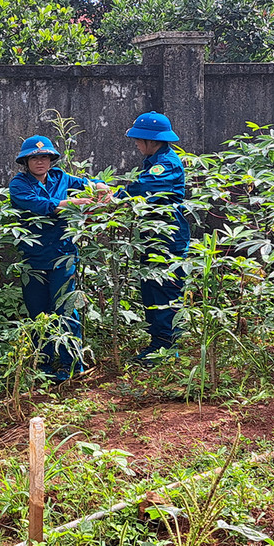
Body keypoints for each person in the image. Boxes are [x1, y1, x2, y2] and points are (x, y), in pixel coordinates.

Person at [8, 135, 111, 382]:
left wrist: (100, 187)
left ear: (52, 159)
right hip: (33, 259)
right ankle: (42, 364)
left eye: (44, 157)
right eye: (34, 157)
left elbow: (89, 184)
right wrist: (72, 203)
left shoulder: (61, 178)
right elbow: (41, 205)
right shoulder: (19, 184)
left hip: (63, 255)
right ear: (26, 161)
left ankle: (71, 364)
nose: (40, 162)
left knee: (66, 310)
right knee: (38, 313)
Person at [119, 111, 190, 362]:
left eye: (139, 139)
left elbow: (143, 188)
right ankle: (157, 344)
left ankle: (166, 349)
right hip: (153, 235)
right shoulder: (153, 160)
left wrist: (114, 195)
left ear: (153, 140)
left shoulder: (165, 163)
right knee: (150, 288)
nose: (136, 144)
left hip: (167, 236)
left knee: (164, 290)